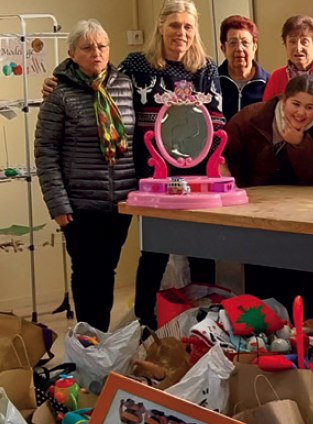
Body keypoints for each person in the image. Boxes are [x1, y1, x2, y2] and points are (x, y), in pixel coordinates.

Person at [120, 0, 223, 329]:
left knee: (201, 248)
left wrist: (209, 170)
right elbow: (106, 95)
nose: (181, 32)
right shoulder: (136, 64)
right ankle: (144, 321)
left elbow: (217, 121)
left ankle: (204, 322)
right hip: (151, 173)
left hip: (194, 175)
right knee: (154, 250)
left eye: (188, 26)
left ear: (195, 31)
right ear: (161, 26)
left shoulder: (205, 68)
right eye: (175, 25)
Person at [34, 19, 135, 332]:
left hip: (120, 201)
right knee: (87, 273)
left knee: (107, 272)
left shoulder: (123, 84)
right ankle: (89, 341)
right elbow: (45, 152)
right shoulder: (59, 94)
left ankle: (101, 339)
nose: (97, 53)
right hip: (78, 205)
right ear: (71, 54)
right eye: (88, 47)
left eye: (102, 46)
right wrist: (58, 205)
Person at [224, 73, 313, 187]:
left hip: (293, 196)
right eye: (296, 104)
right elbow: (227, 157)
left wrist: (299, 144)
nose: (301, 112)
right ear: (284, 101)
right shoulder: (249, 118)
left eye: (309, 107)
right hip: (248, 191)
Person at [262, 15, 313, 100]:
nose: (298, 48)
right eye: (292, 42)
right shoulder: (277, 77)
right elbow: (266, 111)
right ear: (285, 46)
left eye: (304, 42)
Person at [218, 15, 270, 121]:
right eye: (233, 43)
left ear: (254, 48)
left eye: (245, 43)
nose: (239, 48)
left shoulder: (268, 82)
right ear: (223, 49)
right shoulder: (213, 82)